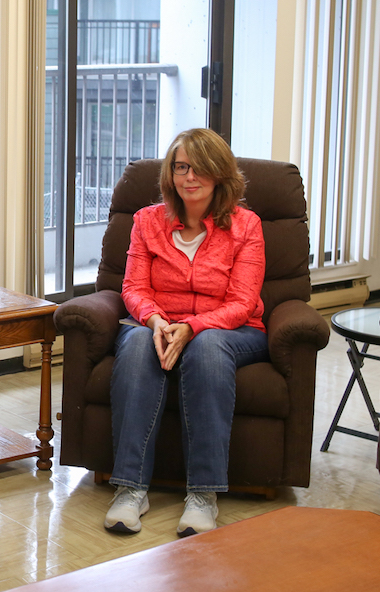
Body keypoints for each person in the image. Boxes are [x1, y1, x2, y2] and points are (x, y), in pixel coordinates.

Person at [104, 127, 267, 538]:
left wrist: (192, 326)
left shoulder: (246, 226)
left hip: (229, 330)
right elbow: (133, 289)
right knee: (139, 340)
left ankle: (203, 495)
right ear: (170, 174)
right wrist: (158, 322)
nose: (188, 177)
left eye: (199, 168)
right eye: (180, 167)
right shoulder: (147, 222)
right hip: (159, 322)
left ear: (219, 173)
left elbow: (242, 302)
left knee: (208, 347)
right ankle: (130, 489)